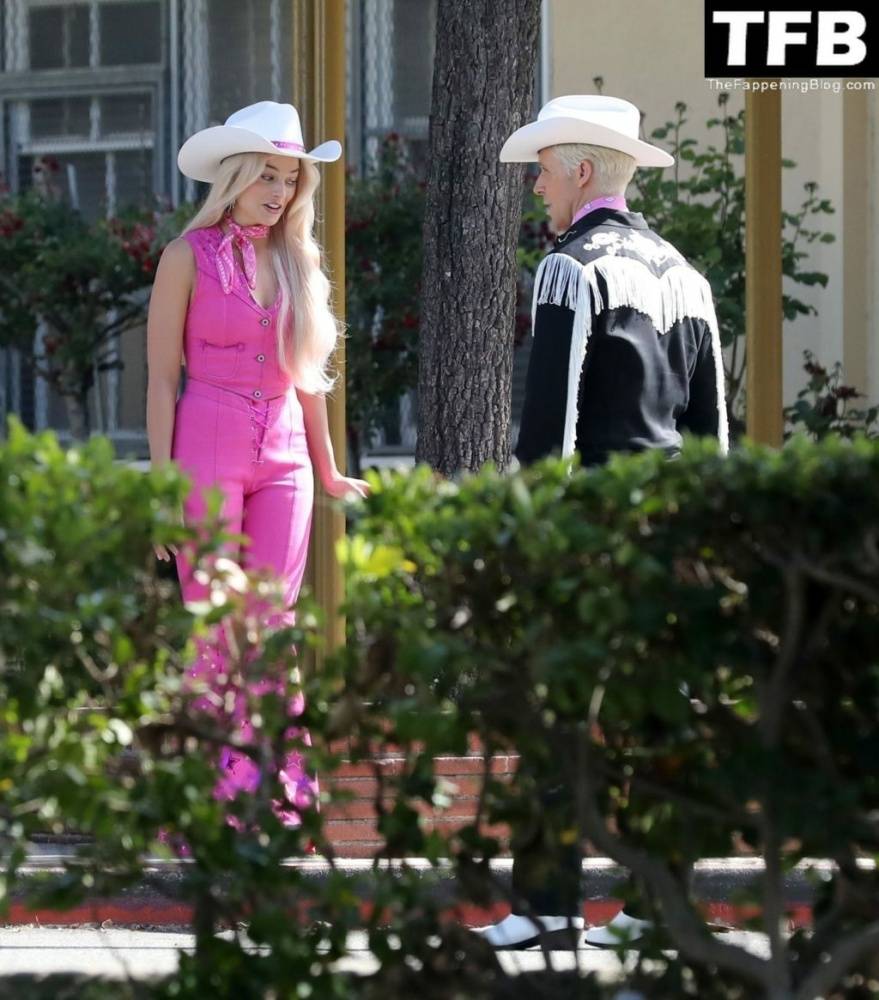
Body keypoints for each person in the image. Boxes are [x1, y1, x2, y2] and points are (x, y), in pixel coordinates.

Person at [477, 94, 728, 950]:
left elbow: (547, 434)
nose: (537, 186)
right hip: (672, 538)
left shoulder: (567, 268)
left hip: (586, 533)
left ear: (581, 170)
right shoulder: (687, 277)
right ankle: (654, 913)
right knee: (659, 725)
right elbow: (711, 442)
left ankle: (546, 909)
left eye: (544, 169)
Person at [146, 100, 368, 833]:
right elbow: (159, 381)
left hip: (285, 458)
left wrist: (329, 470)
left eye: (291, 177)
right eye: (267, 175)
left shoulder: (296, 259)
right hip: (203, 442)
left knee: (269, 628)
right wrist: (161, 489)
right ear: (235, 177)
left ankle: (278, 801)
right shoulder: (185, 255)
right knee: (218, 629)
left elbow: (306, 375)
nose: (279, 191)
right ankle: (210, 811)